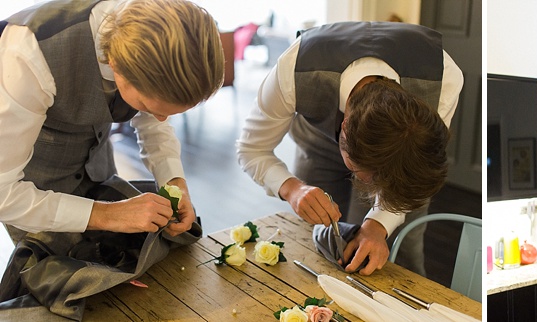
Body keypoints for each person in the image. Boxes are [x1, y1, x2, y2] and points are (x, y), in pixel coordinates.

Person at [237, 21, 462, 276]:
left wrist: (378, 225)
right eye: (365, 174)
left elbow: (416, 164)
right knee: (315, 237)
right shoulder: (294, 68)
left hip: (405, 154)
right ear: (343, 127)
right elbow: (251, 148)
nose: (370, 184)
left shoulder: (444, 77)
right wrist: (292, 188)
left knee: (397, 248)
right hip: (316, 138)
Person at [0, 0, 224, 241]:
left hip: (100, 172)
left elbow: (153, 121)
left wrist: (175, 181)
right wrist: (108, 214)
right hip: (34, 195)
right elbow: (4, 194)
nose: (160, 118)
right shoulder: (27, 53)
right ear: (115, 64)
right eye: (147, 106)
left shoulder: (156, 28)